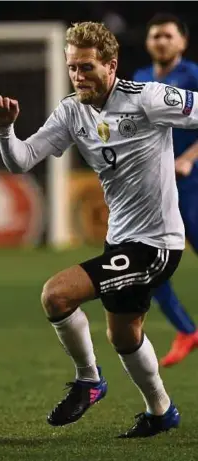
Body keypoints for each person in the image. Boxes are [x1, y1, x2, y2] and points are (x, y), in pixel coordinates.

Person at [0, 21, 198, 438]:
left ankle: (89, 380)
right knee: (124, 335)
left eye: (86, 68)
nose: (78, 77)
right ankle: (162, 411)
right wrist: (4, 128)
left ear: (111, 66)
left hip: (156, 243)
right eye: (72, 68)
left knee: (56, 294)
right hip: (120, 238)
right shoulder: (71, 110)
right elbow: (21, 160)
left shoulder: (148, 98)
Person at [133, 13, 198, 367]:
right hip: (157, 187)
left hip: (192, 182)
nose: (160, 41)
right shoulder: (141, 79)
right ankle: (186, 330)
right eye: (155, 35)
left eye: (167, 36)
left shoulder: (192, 76)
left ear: (182, 42)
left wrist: (188, 158)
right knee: (151, 262)